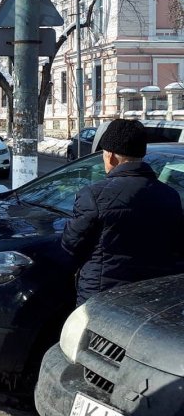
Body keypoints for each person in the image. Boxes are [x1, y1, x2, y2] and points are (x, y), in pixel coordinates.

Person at [62, 118, 184, 306]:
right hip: (152, 298)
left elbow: (71, 245)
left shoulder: (94, 195)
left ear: (110, 156)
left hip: (103, 298)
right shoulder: (171, 195)